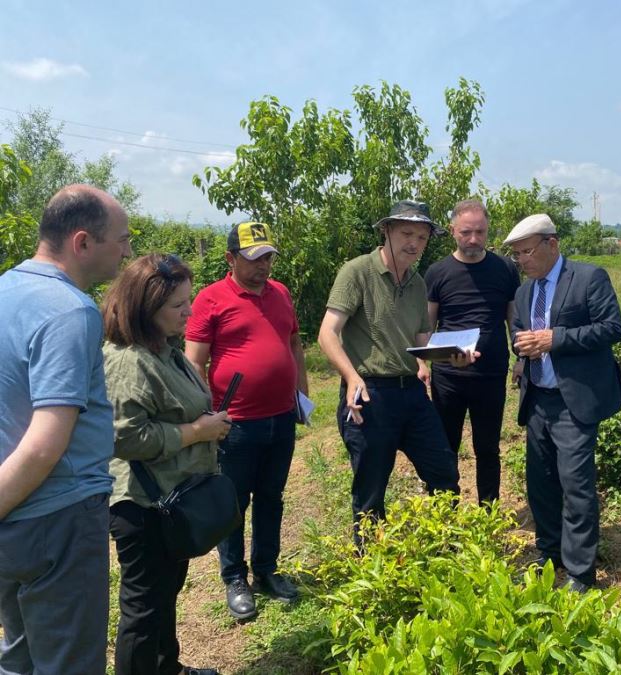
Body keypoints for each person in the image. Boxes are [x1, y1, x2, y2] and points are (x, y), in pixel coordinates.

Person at [0, 185, 131, 674]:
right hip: (57, 518)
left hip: (13, 523)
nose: (128, 251)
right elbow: (43, 446)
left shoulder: (6, 289)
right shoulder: (70, 312)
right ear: (82, 242)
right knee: (70, 662)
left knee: (19, 654)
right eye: (121, 239)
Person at [103, 254, 229, 675]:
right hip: (141, 504)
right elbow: (125, 437)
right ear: (146, 307)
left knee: (165, 592)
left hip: (170, 496)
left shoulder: (164, 350)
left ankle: (166, 666)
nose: (189, 312)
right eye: (178, 305)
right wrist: (197, 431)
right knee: (142, 608)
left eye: (188, 301)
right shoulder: (128, 361)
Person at [317, 200, 471, 543]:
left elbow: (421, 341)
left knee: (444, 473)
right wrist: (352, 377)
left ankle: (443, 550)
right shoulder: (356, 272)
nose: (413, 243)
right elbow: (327, 333)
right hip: (370, 393)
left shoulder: (417, 283)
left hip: (412, 393)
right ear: (386, 230)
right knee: (371, 491)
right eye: (406, 233)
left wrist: (450, 356)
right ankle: (371, 568)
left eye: (421, 236)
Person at [184, 222, 308, 621]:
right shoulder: (210, 299)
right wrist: (203, 416)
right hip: (236, 423)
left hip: (281, 416)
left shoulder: (281, 293)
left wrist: (301, 394)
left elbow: (293, 343)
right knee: (234, 502)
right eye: (254, 258)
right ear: (230, 258)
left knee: (272, 497)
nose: (263, 266)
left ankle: (267, 570)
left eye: (268, 257)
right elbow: (193, 362)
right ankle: (234, 577)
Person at [506, 214, 621, 593]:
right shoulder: (525, 292)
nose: (522, 261)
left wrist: (554, 339)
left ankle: (580, 571)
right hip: (538, 399)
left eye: (527, 252)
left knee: (576, 485)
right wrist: (520, 346)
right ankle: (549, 552)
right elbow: (518, 333)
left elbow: (612, 328)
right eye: (517, 256)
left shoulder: (588, 278)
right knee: (540, 483)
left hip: (574, 400)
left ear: (552, 244)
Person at [424, 199, 519, 504]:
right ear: (453, 231)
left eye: (480, 231)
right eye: (466, 232)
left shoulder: (504, 268)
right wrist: (425, 363)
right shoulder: (437, 272)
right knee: (444, 447)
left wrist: (522, 357)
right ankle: (446, 516)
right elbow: (427, 326)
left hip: (491, 375)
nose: (474, 239)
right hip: (448, 377)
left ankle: (487, 513)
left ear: (488, 230)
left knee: (488, 448)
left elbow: (512, 318)